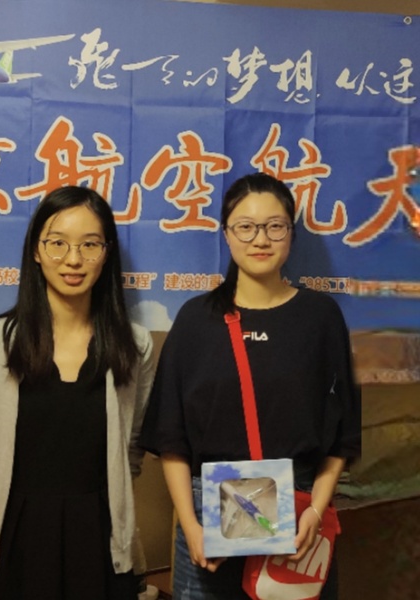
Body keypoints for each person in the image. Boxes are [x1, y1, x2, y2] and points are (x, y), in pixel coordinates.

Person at [139, 172, 361, 599]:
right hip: (209, 518)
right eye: (246, 226)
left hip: (299, 515)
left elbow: (343, 434)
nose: (261, 239)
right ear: (226, 233)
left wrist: (316, 510)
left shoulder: (321, 317)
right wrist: (191, 525)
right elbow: (171, 439)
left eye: (275, 226)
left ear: (291, 233)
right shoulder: (195, 320)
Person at [0, 186, 155, 600]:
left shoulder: (134, 346)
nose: (73, 259)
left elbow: (133, 443)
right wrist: (0, 509)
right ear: (35, 250)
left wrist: (114, 503)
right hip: (15, 534)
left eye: (90, 244)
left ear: (107, 253)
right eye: (57, 243)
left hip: (102, 537)